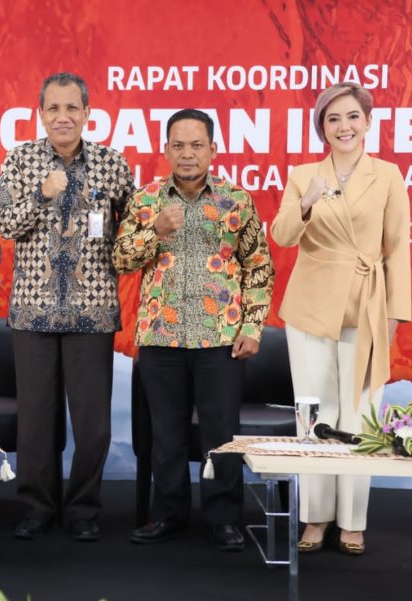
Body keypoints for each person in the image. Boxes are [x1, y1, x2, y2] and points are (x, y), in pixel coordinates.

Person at [114, 109, 274, 551]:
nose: (187, 154)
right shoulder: (145, 200)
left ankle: (224, 519)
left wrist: (253, 326)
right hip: (160, 336)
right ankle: (167, 515)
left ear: (213, 150)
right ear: (165, 150)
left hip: (219, 338)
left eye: (196, 145)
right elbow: (121, 259)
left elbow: (258, 266)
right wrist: (154, 232)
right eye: (178, 146)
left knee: (220, 434)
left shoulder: (235, 200)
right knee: (166, 433)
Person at [0, 72, 135, 542]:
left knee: (93, 425)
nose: (62, 117)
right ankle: (37, 506)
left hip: (92, 312)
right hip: (33, 312)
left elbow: (131, 234)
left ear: (87, 113)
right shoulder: (21, 160)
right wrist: (42, 194)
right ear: (40, 113)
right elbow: (6, 224)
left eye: (72, 108)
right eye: (53, 108)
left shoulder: (113, 165)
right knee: (36, 421)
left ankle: (83, 510)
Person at [271, 82, 410, 555]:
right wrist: (307, 199)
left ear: (368, 122)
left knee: (360, 414)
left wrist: (396, 314)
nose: (343, 126)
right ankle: (315, 517)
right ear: (322, 128)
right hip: (310, 304)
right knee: (314, 411)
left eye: (352, 116)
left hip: (367, 303)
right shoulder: (303, 174)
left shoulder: (389, 175)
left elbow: (398, 251)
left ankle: (352, 521)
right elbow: (283, 235)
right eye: (333, 119)